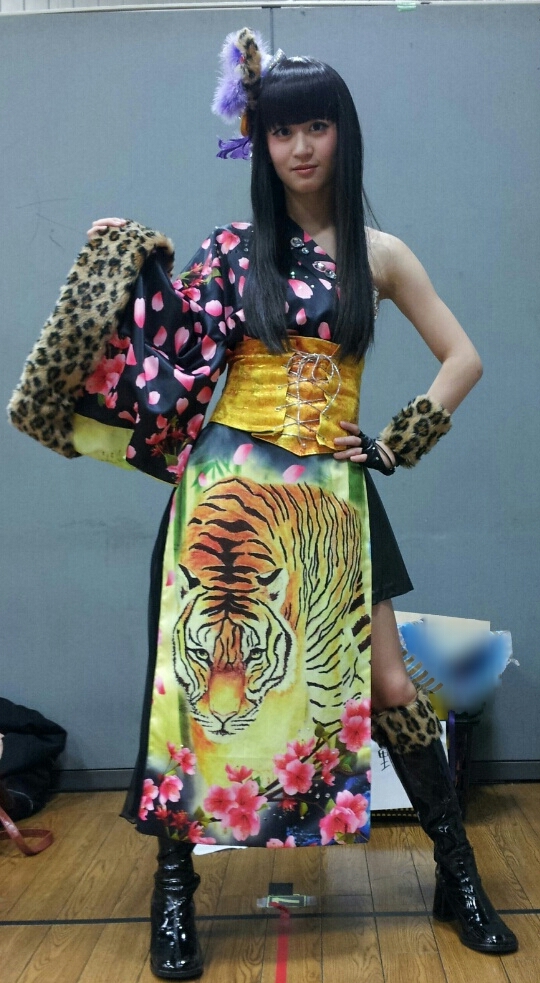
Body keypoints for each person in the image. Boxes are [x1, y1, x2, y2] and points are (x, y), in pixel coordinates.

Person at [9, 27, 517, 981]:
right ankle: (174, 890)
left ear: (341, 132)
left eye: (316, 126)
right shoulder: (232, 251)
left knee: (392, 682)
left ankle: (457, 873)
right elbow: (168, 351)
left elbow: (464, 358)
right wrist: (121, 262)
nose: (300, 147)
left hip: (334, 498)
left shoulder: (381, 254)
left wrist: (396, 440)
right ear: (260, 141)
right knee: (192, 690)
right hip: (225, 495)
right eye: (282, 130)